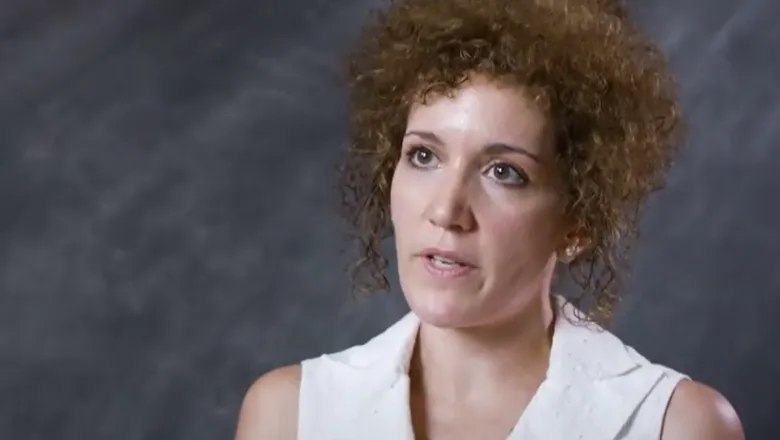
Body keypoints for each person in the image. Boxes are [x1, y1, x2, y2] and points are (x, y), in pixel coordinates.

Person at [235, 0, 745, 438]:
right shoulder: (289, 418)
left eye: (504, 171)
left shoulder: (675, 426)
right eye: (424, 156)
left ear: (577, 222)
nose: (446, 210)